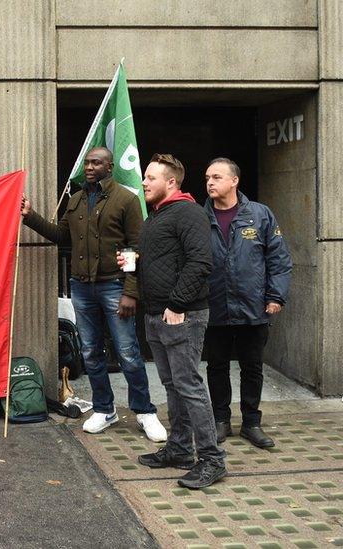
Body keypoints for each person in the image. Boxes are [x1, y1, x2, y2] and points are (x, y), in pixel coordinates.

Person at [21, 146, 166, 442]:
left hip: (115, 286)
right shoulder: (75, 200)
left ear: (109, 167)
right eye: (87, 162)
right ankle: (104, 409)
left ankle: (145, 412)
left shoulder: (125, 199)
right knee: (90, 352)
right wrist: (30, 216)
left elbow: (137, 249)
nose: (89, 167)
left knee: (128, 352)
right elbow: (61, 236)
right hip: (82, 287)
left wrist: (130, 292)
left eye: (96, 162)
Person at [128, 153, 226, 489]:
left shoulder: (188, 212)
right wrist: (137, 262)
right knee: (172, 386)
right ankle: (180, 448)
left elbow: (200, 262)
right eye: (144, 177)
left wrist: (177, 303)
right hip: (156, 314)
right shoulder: (157, 216)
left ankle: (212, 460)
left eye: (150, 178)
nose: (144, 182)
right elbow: (167, 261)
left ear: (171, 182)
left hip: (181, 314)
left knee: (189, 386)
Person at [202, 158, 292, 448]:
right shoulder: (199, 217)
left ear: (234, 181)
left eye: (216, 177)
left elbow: (278, 259)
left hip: (253, 308)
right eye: (207, 178)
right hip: (214, 307)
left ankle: (251, 423)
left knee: (252, 367)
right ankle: (221, 421)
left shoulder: (260, 214)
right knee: (216, 367)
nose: (210, 182)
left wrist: (275, 296)